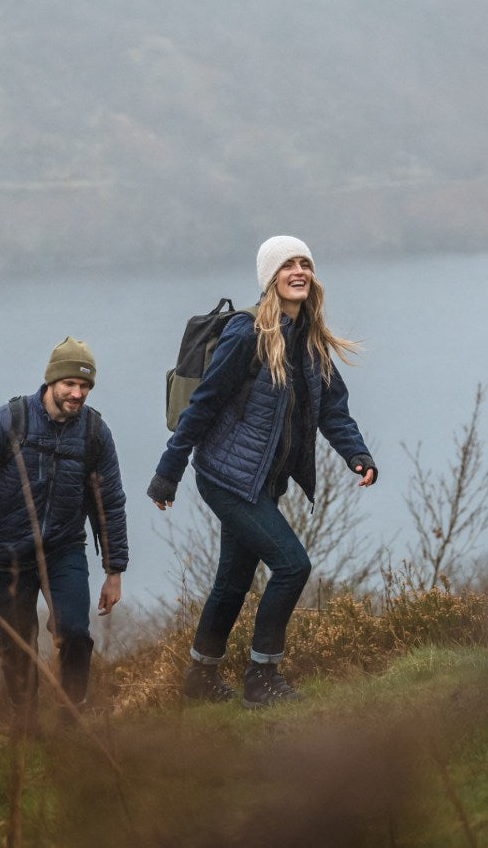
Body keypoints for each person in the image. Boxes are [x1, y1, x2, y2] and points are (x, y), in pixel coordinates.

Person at [147, 236, 378, 708]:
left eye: (305, 264)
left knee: (232, 581)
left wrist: (358, 455)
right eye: (287, 265)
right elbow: (203, 404)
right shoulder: (247, 333)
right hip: (227, 478)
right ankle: (261, 675)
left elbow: (333, 409)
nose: (299, 271)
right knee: (293, 566)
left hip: (261, 481)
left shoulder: (310, 340)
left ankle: (200, 676)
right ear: (269, 278)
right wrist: (168, 471)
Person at [0, 336, 128, 719]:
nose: (77, 393)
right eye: (69, 383)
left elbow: (110, 502)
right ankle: (26, 726)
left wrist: (114, 570)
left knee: (74, 632)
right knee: (17, 644)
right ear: (51, 382)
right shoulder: (9, 422)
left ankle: (73, 719)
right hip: (7, 554)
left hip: (63, 549)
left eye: (85, 385)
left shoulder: (94, 433)